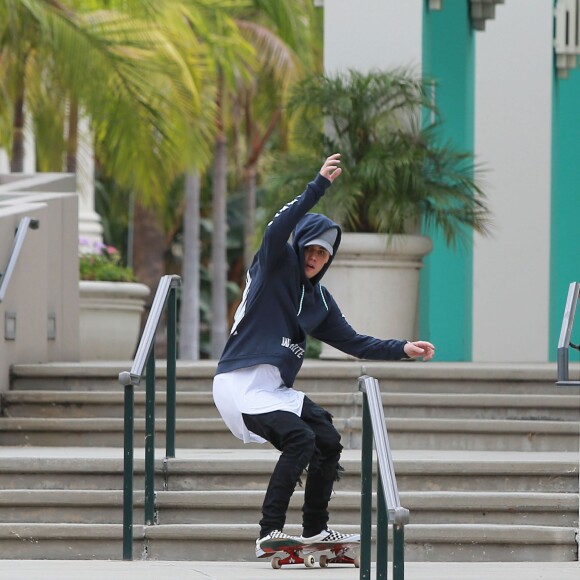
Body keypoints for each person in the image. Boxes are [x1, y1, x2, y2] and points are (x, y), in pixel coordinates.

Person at [212, 153, 435, 558]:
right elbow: (277, 227)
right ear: (300, 247)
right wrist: (317, 186)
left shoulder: (319, 301)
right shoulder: (273, 267)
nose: (315, 259)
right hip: (238, 383)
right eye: (311, 249)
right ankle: (270, 532)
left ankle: (315, 528)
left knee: (327, 440)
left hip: (273, 389)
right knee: (300, 439)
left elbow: (355, 342)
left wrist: (402, 348)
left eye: (324, 254)